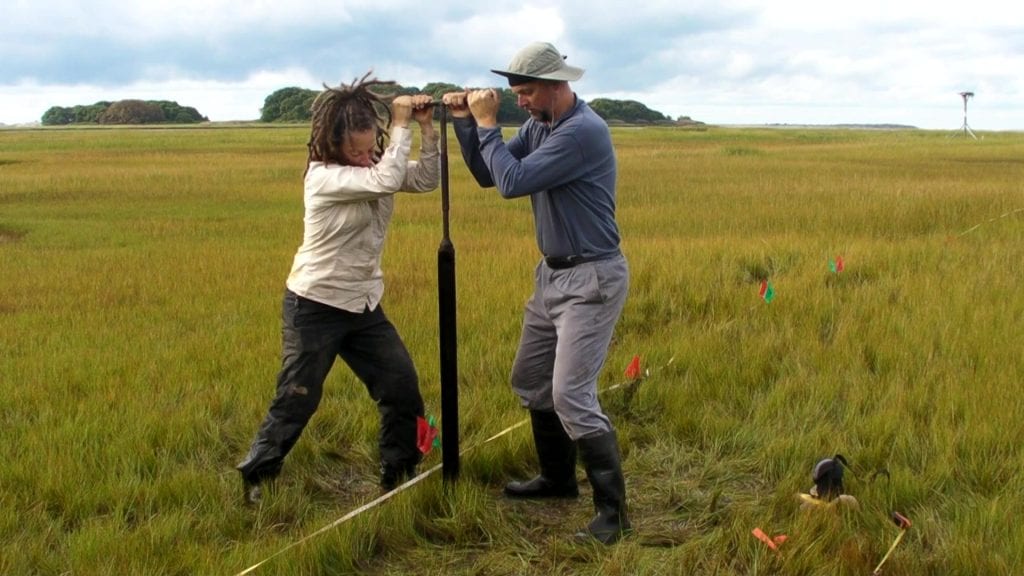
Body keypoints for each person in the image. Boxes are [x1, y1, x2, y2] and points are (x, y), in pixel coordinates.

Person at [442, 42, 631, 544]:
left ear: (555, 85)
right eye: (515, 94)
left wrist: (486, 125)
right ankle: (557, 481)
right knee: (530, 380)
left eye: (525, 92)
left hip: (592, 278)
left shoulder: (582, 132)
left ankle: (613, 514)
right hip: (551, 276)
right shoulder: (541, 125)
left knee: (571, 394)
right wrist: (466, 122)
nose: (519, 102)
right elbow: (488, 176)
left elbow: (513, 182)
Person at [236, 73, 439, 504]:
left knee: (400, 386)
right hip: (314, 304)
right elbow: (385, 180)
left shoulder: (377, 166)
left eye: (371, 148)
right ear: (333, 145)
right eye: (355, 151)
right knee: (298, 397)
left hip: (364, 304)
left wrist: (425, 128)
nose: (366, 158)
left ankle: (397, 473)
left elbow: (424, 180)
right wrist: (400, 125)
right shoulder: (323, 178)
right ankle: (258, 477)